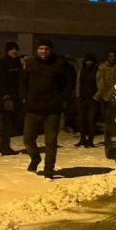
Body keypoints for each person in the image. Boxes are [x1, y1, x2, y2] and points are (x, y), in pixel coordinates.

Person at [21, 39, 74, 179]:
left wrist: (61, 98)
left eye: (46, 49)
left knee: (50, 141)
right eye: (41, 49)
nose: (43, 51)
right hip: (33, 108)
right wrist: (25, 97)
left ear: (51, 50)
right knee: (28, 139)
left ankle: (49, 168)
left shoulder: (59, 64)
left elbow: (69, 83)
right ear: (37, 50)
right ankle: (35, 158)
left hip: (52, 109)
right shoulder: (30, 63)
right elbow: (22, 82)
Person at [0, 42, 23, 155]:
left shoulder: (18, 63)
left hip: (16, 97)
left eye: (16, 49)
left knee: (10, 123)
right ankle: (4, 146)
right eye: (11, 49)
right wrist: (5, 96)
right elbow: (0, 81)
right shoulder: (3, 63)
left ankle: (4, 145)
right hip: (6, 98)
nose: (14, 51)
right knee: (6, 123)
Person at [75, 54, 99, 147]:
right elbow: (78, 83)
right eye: (87, 61)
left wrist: (96, 96)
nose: (89, 63)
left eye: (90, 61)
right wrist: (78, 95)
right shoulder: (81, 70)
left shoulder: (97, 71)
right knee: (81, 120)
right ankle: (82, 139)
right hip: (82, 98)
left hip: (92, 99)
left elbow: (100, 84)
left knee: (91, 120)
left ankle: (90, 140)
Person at [95, 50, 116, 128]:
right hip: (105, 96)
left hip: (115, 95)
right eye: (110, 56)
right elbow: (101, 84)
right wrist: (99, 95)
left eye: (114, 56)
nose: (112, 58)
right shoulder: (102, 68)